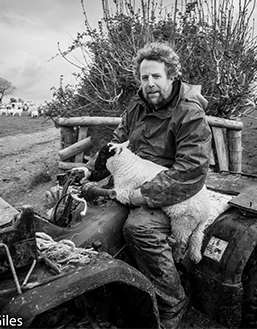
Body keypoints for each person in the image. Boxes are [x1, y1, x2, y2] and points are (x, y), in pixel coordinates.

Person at [71, 42, 212, 329]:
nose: (150, 84)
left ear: (171, 76)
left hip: (171, 190)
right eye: (144, 77)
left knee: (139, 228)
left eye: (156, 76)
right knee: (84, 217)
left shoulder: (189, 114)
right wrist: (87, 171)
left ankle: (172, 300)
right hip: (130, 178)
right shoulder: (136, 106)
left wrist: (143, 195)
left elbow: (190, 169)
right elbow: (113, 145)